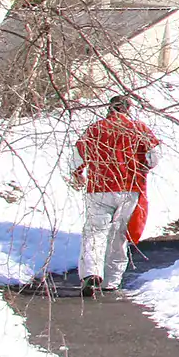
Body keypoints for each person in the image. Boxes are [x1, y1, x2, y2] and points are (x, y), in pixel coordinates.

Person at [72, 95, 160, 297]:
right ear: (128, 109)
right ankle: (112, 280)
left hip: (99, 187)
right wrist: (143, 168)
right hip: (130, 188)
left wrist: (77, 174)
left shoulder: (95, 129)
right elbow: (154, 155)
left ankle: (91, 272)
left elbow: (78, 154)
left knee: (94, 232)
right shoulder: (139, 129)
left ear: (109, 108)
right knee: (118, 234)